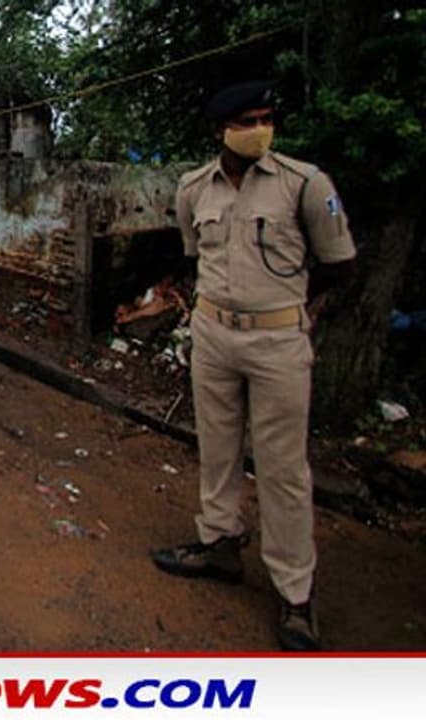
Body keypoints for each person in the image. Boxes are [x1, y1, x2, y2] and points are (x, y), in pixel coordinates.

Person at [150, 81, 357, 651]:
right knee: (216, 448)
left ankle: (295, 593)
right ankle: (219, 544)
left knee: (283, 467)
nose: (260, 128)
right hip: (214, 334)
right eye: (248, 120)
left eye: (267, 117)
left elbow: (338, 263)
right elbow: (194, 257)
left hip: (278, 343)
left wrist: (296, 310)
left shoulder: (305, 184)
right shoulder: (194, 189)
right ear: (222, 130)